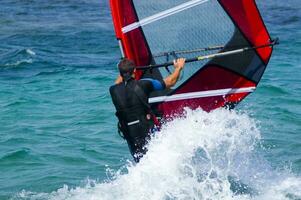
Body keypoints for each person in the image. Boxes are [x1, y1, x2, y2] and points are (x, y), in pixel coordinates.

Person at [110, 57, 185, 162]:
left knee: (141, 162)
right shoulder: (144, 84)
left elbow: (118, 81)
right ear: (135, 71)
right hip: (147, 130)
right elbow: (170, 81)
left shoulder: (113, 90)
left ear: (121, 73)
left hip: (130, 134)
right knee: (157, 159)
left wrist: (123, 69)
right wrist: (178, 68)